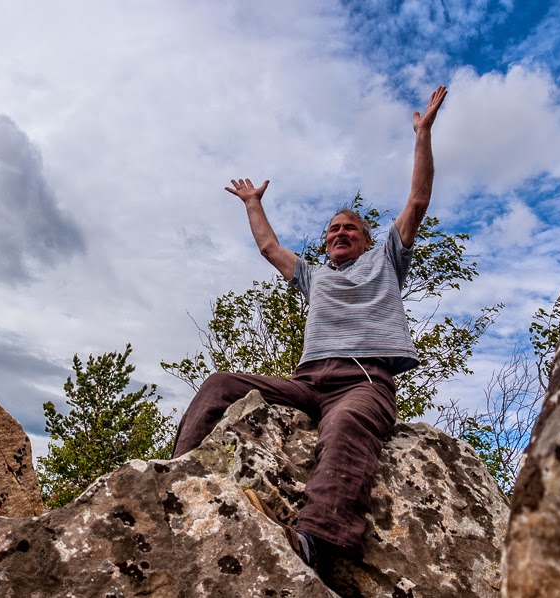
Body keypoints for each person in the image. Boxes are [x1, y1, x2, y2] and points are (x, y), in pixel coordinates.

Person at [171, 86, 448, 567]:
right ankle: (176, 476)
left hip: (362, 382)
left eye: (350, 229)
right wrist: (252, 203)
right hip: (306, 382)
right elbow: (269, 249)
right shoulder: (314, 276)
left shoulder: (385, 260)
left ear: (365, 240)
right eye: (333, 230)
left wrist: (422, 134)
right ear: (325, 244)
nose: (341, 233)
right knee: (221, 383)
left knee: (346, 426)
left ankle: (319, 539)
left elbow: (419, 199)